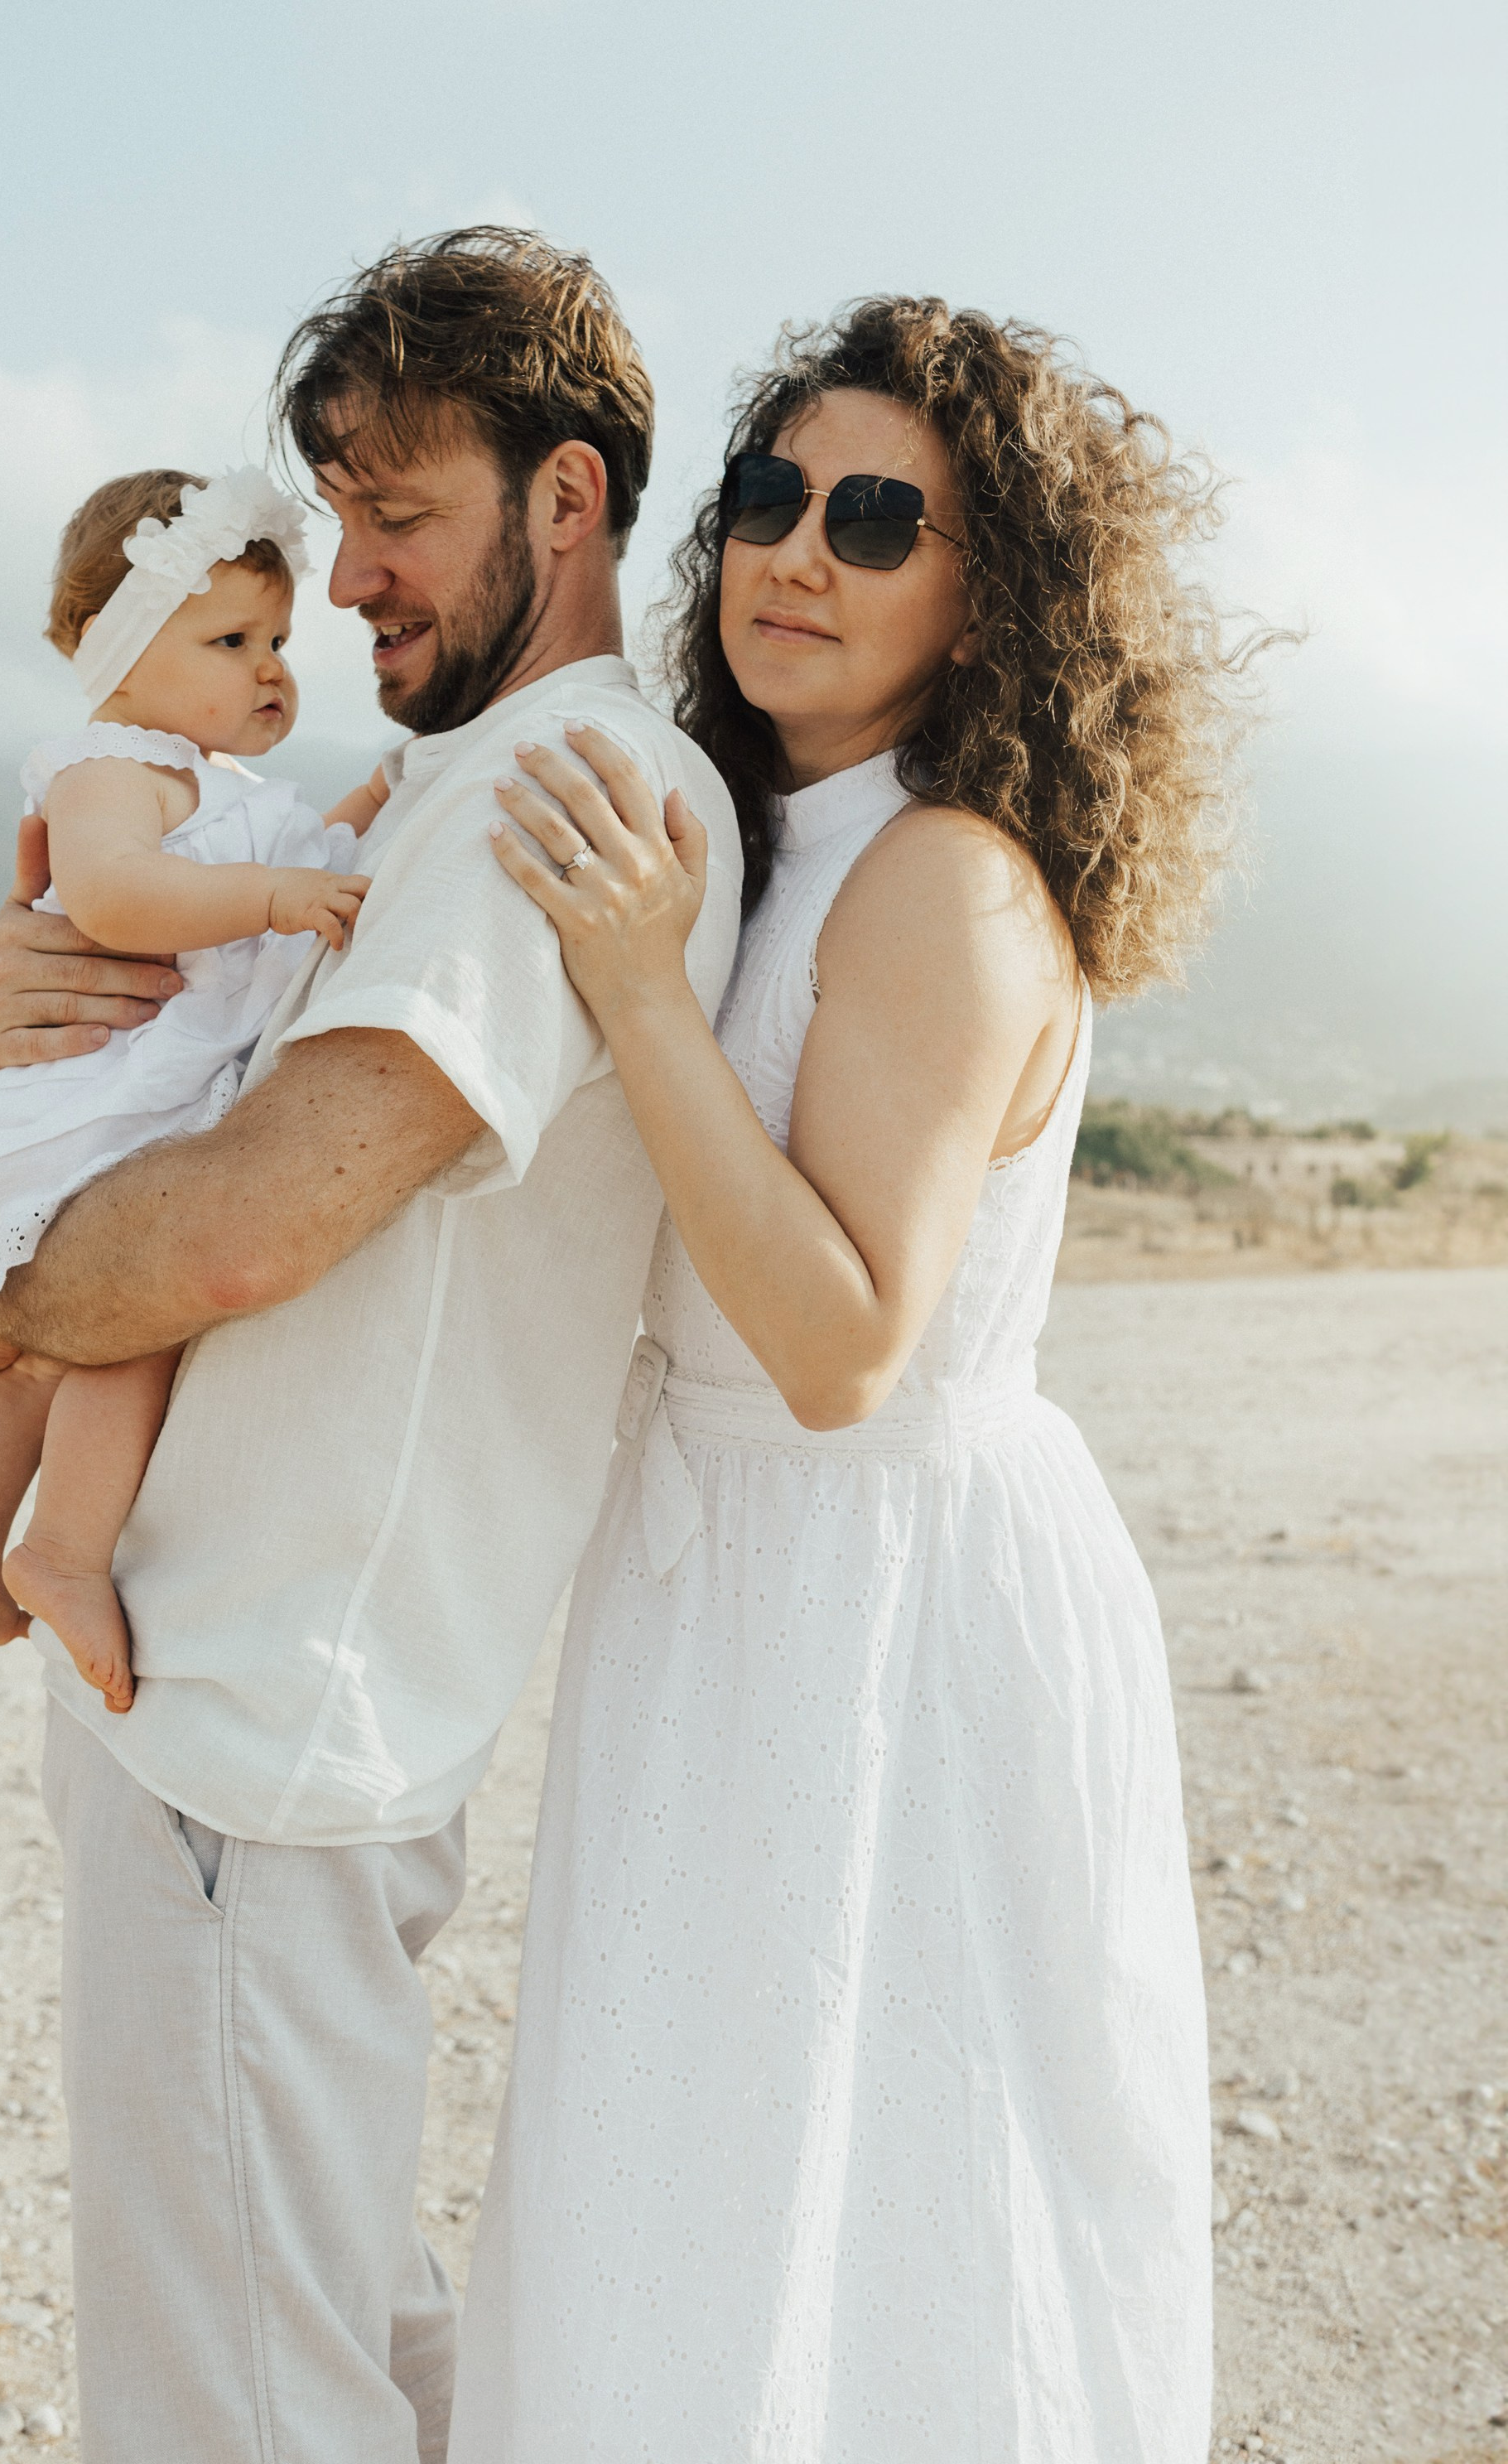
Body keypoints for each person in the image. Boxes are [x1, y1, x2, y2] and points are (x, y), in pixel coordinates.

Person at [0, 230, 743, 2463]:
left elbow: (243, 1223)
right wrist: (15, 1018)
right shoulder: (462, 789)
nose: (351, 576)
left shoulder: (550, 790)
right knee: (339, 2347)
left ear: (566, 500)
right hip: (271, 1709)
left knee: (243, 2405)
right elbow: (173, 1081)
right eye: (335, 514)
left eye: (400, 513)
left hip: (254, 1716)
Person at [450, 298, 1248, 2462]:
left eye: (881, 519)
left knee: (886, 2214)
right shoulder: (765, 829)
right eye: (771, 497)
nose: (799, 550)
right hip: (734, 1577)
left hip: (885, 1596)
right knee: (692, 2190)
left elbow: (840, 1347)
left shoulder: (945, 878)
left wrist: (639, 992)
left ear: (992, 596)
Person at [0, 465, 387, 1709]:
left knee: (35, 1368)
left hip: (138, 1095)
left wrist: (377, 801)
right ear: (119, 650)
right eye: (230, 642)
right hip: (114, 1100)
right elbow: (117, 895)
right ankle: (61, 1553)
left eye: (278, 641)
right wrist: (275, 897)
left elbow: (295, 860)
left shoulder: (206, 784)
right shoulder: (113, 768)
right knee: (129, 1332)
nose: (270, 669)